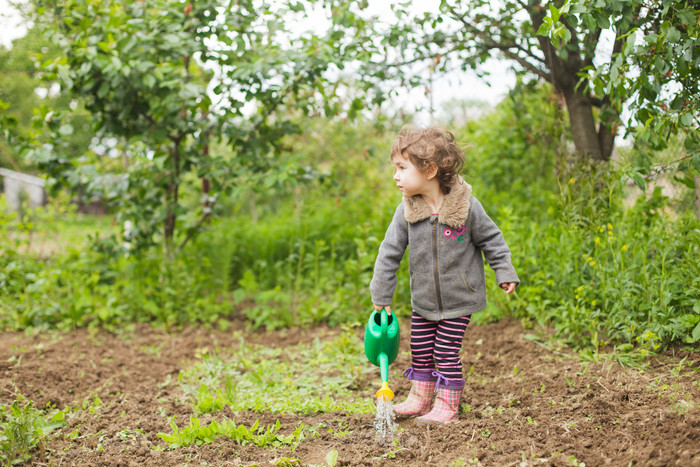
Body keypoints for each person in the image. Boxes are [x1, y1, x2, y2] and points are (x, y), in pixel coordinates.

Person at [369, 125, 519, 424]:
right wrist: (381, 293)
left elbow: (492, 239)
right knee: (421, 348)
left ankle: (447, 403)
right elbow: (389, 253)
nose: (395, 176)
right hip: (423, 300)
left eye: (401, 167)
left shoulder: (466, 208)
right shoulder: (407, 213)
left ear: (430, 170)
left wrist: (504, 270)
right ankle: (420, 397)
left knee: (445, 350)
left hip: (459, 298)